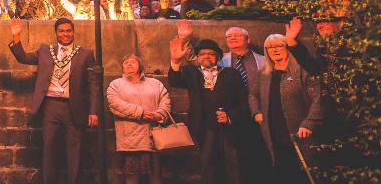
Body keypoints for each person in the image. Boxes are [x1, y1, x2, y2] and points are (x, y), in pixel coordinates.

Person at [8, 18, 100, 184]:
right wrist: (16, 37)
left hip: (74, 107)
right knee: (49, 149)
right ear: (56, 33)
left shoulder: (85, 54)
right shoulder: (45, 50)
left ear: (73, 32)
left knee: (75, 151)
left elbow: (93, 85)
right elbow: (23, 58)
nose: (65, 34)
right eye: (62, 31)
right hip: (50, 106)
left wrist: (93, 111)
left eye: (68, 31)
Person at [168, 36, 249, 184]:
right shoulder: (191, 73)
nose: (206, 56)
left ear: (218, 57)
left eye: (211, 54)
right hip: (204, 128)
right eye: (203, 53)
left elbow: (244, 101)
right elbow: (174, 81)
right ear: (198, 58)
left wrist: (230, 116)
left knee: (233, 165)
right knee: (208, 166)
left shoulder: (232, 74)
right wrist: (175, 61)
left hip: (229, 128)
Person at [248, 34, 323, 183]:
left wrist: (309, 123)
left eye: (279, 46)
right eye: (270, 47)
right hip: (273, 131)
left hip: (300, 132)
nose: (274, 50)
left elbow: (319, 98)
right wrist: (256, 112)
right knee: (282, 169)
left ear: (288, 48)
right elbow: (252, 94)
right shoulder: (264, 72)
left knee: (305, 171)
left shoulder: (302, 70)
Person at [107, 54, 171, 184]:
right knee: (132, 176)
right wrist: (140, 112)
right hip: (130, 139)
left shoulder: (155, 83)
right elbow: (114, 104)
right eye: (126, 63)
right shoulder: (116, 85)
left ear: (140, 65)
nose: (129, 64)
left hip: (153, 137)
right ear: (122, 68)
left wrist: (159, 114)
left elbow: (166, 102)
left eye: (133, 62)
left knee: (155, 175)